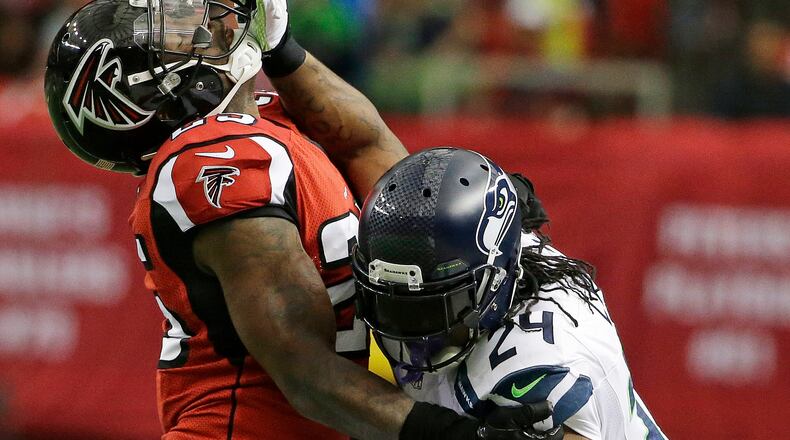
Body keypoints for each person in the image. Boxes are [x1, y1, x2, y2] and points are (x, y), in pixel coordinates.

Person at [44, 0, 561, 439]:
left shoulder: (265, 119)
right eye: (163, 40)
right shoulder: (209, 159)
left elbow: (368, 143)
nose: (195, 27)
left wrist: (281, 46)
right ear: (137, 95)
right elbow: (306, 370)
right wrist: (457, 434)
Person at [353, 147, 669, 439]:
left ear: (493, 282)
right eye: (391, 303)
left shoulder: (542, 363)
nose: (409, 330)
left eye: (432, 308)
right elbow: (364, 143)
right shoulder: (489, 250)